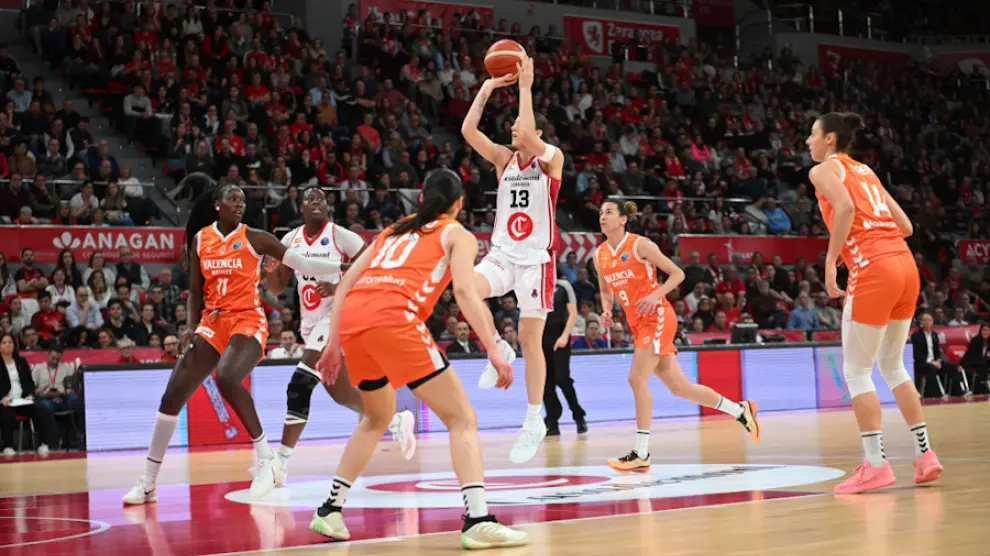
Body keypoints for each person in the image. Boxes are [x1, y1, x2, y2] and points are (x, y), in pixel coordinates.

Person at [312, 169, 528, 549]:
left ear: (423, 197)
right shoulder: (457, 234)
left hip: (354, 323)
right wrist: (494, 347)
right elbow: (465, 292)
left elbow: (345, 284)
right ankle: (477, 520)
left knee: (376, 418)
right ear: (459, 203)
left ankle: (330, 510)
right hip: (395, 320)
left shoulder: (392, 230)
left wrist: (333, 344)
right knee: (461, 418)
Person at [122, 184, 351, 505]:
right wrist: (191, 328)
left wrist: (344, 269)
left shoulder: (255, 238)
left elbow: (304, 264)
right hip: (212, 322)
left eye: (243, 200)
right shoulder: (201, 239)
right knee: (171, 396)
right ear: (218, 205)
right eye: (233, 199)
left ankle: (266, 457)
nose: (240, 204)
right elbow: (196, 292)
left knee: (227, 377)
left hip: (247, 320)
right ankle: (147, 482)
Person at [807, 112, 942, 494]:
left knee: (856, 371)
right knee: (893, 365)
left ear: (830, 139)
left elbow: (846, 208)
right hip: (905, 265)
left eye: (813, 134)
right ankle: (925, 455)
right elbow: (906, 226)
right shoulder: (866, 171)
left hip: (874, 269)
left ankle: (876, 464)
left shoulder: (822, 170)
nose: (808, 141)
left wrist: (832, 261)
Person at [265, 186, 415, 485]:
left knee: (299, 385)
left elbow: (372, 270)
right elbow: (278, 287)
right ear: (301, 206)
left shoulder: (342, 237)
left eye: (321, 198)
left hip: (339, 317)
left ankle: (280, 463)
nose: (316, 202)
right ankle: (396, 420)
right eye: (310, 199)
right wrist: (270, 270)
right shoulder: (290, 240)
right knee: (340, 392)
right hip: (311, 324)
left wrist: (337, 287)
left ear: (328, 205)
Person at [594, 200, 760, 472]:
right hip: (638, 323)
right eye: (601, 212)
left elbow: (677, 274)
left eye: (609, 212)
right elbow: (605, 289)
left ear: (623, 219)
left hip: (657, 315)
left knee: (636, 379)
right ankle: (740, 410)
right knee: (680, 388)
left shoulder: (640, 245)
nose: (603, 216)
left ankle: (641, 453)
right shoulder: (599, 254)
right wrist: (606, 310)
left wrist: (655, 295)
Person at [461, 56, 562, 462]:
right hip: (503, 254)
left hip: (536, 261)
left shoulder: (551, 160)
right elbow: (468, 131)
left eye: (521, 124)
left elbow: (533, 137)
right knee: (465, 287)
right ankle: (497, 346)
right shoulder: (504, 160)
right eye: (513, 124)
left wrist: (524, 87)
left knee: (531, 341)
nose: (513, 128)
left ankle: (534, 420)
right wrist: (488, 88)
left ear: (537, 132)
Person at [543, 270, 586, 436]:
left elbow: (573, 313)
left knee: (562, 378)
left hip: (560, 336)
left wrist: (564, 336)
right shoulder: (532, 285)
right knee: (545, 383)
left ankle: (578, 415)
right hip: (541, 337)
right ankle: (552, 421)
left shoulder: (563, 286)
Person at [0, 333, 54, 456]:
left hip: (21, 400)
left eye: (10, 342)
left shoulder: (21, 362)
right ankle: (8, 446)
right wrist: (2, 398)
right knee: (6, 412)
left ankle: (43, 444)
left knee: (41, 408)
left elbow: (29, 382)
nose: (8, 345)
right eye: (4, 342)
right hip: (5, 401)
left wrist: (29, 394)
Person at [911, 312, 963, 397]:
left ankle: (958, 391)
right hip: (922, 363)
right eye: (925, 320)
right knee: (931, 368)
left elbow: (937, 351)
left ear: (932, 322)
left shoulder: (934, 335)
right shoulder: (916, 336)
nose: (927, 322)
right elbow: (917, 354)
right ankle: (937, 394)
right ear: (921, 322)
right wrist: (931, 362)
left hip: (934, 362)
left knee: (952, 367)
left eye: (929, 320)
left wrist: (938, 360)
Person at [960, 322, 990, 394]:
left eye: (988, 330)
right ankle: (982, 387)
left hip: (982, 361)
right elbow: (974, 356)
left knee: (985, 363)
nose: (985, 332)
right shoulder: (976, 340)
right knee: (983, 364)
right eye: (984, 330)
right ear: (980, 331)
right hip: (970, 361)